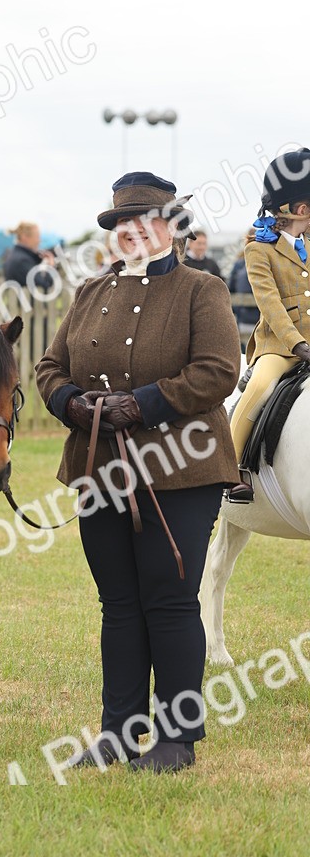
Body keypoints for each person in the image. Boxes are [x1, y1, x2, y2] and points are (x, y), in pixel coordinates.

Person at [36, 172, 240, 774]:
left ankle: (177, 740)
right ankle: (118, 733)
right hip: (100, 468)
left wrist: (145, 404)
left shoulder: (202, 290)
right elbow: (49, 367)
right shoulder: (89, 292)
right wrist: (70, 403)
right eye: (123, 224)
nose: (132, 232)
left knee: (170, 600)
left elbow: (218, 370)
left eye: (144, 221)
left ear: (170, 227)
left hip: (179, 470)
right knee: (118, 602)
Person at [227, 149, 310, 503]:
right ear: (302, 210)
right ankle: (230, 469)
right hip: (280, 346)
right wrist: (298, 345)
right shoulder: (259, 251)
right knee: (259, 387)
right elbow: (271, 306)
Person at [227, 229, 259, 353]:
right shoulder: (239, 264)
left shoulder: (271, 262)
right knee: (245, 353)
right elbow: (231, 289)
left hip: (264, 319)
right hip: (244, 318)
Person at [3, 223, 56, 294]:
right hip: (28, 304)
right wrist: (50, 267)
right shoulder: (22, 261)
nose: (39, 241)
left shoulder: (14, 256)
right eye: (37, 237)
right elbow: (45, 286)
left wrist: (38, 258)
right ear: (24, 237)